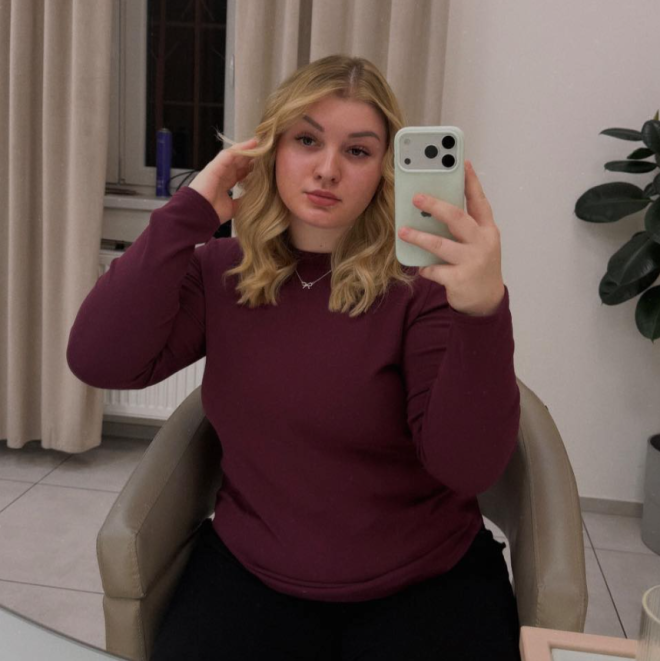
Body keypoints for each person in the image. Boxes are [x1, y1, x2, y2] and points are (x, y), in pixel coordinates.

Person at [67, 54, 521, 660]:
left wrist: (483, 311)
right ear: (270, 149)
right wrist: (188, 213)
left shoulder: (423, 287)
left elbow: (468, 468)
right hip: (250, 573)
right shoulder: (222, 273)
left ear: (384, 171)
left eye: (357, 151)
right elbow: (99, 361)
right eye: (306, 140)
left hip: (422, 580)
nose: (327, 169)